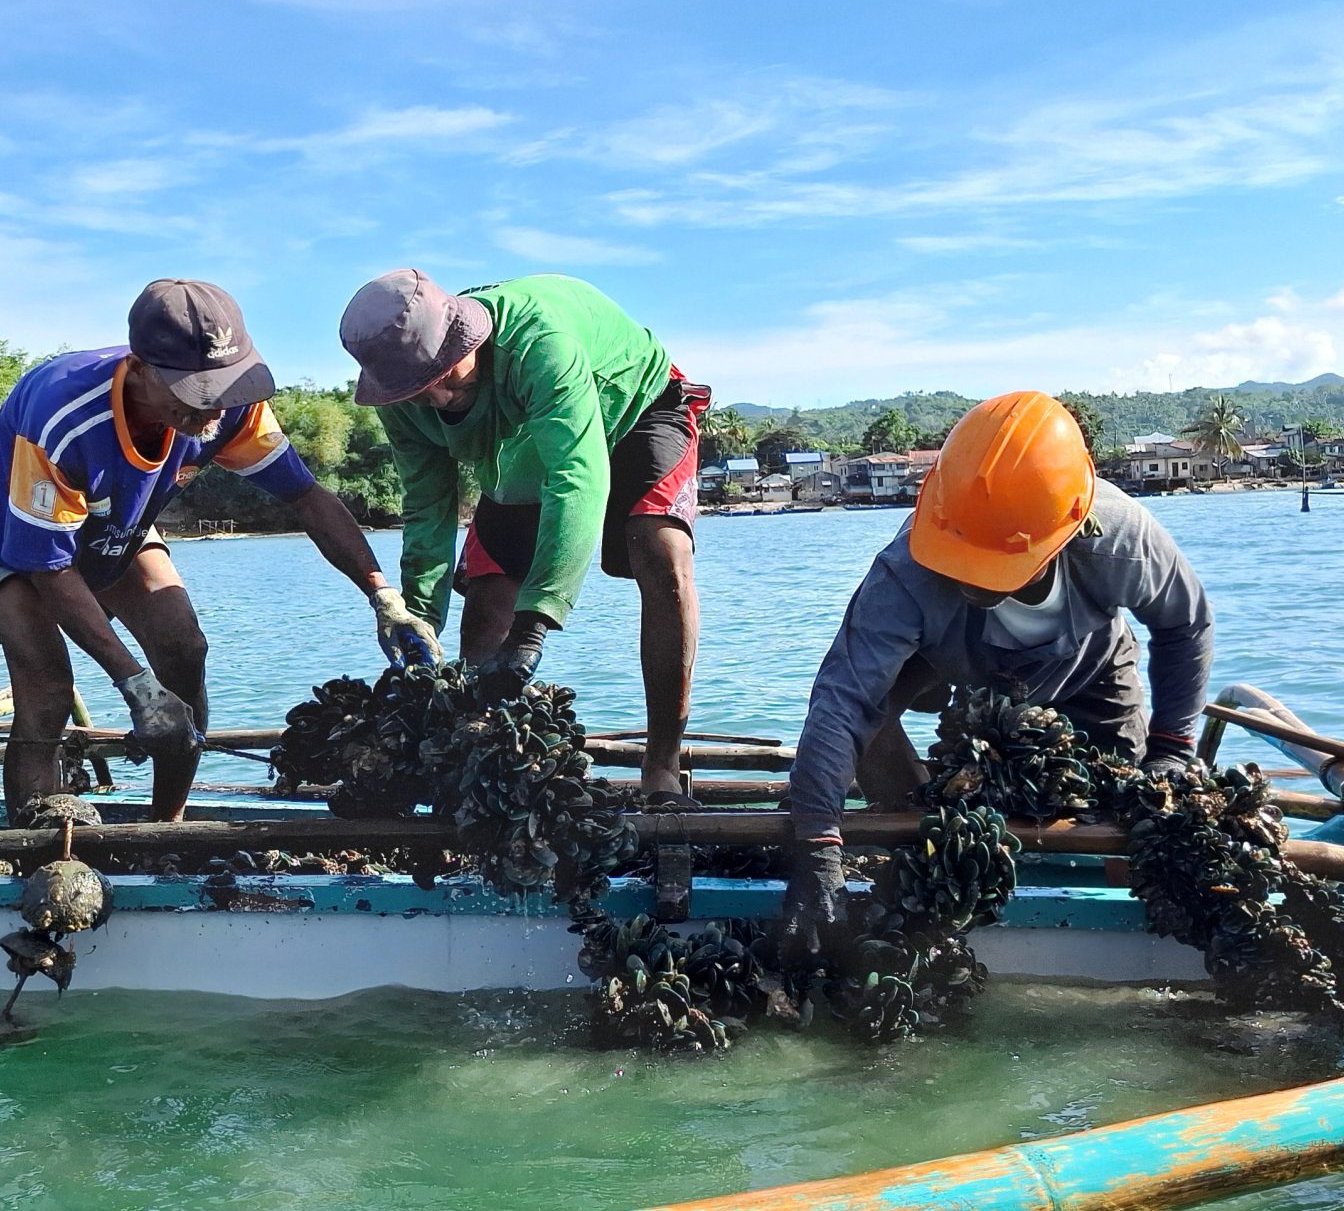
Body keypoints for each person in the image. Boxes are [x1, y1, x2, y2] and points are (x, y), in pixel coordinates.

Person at [0, 279, 437, 823]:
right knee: (48, 690)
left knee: (184, 649)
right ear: (141, 367)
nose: (212, 413)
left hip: (113, 529)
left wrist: (382, 596)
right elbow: (49, 565)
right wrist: (136, 687)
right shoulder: (63, 413)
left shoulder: (233, 406)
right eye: (196, 394)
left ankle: (166, 828)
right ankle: (37, 854)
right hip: (7, 548)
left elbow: (305, 497)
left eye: (223, 389)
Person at [782, 390, 1213, 953]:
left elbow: (1185, 626)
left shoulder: (1122, 543)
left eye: (992, 563)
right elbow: (842, 701)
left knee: (1129, 807)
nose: (969, 576)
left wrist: (1173, 749)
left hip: (1092, 664)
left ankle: (1124, 910)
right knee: (869, 724)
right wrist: (816, 844)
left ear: (1067, 533)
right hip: (947, 661)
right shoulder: (905, 573)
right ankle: (921, 849)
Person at [337, 269, 708, 807]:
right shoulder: (404, 399)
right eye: (420, 389)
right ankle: (477, 762)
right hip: (522, 440)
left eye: (445, 374)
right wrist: (418, 620)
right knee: (488, 599)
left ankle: (663, 766)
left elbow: (577, 479)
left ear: (467, 338)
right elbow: (428, 509)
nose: (439, 397)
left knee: (661, 554)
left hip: (636, 408)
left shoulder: (539, 344)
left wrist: (535, 626)